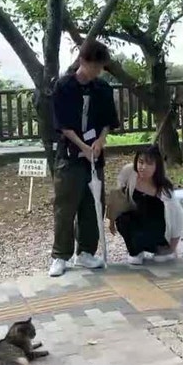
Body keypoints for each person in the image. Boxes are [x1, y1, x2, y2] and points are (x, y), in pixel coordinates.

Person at [48, 40, 120, 277]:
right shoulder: (64, 86)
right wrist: (82, 146)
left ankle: (86, 252)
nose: (96, 71)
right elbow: (63, 124)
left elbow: (108, 121)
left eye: (100, 67)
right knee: (65, 206)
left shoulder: (103, 88)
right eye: (93, 66)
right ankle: (60, 255)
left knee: (93, 204)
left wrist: (100, 141)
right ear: (82, 61)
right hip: (70, 156)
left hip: (94, 156)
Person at [109, 145, 183, 265]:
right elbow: (117, 196)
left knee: (160, 257)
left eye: (149, 164)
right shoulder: (129, 172)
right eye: (141, 162)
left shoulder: (164, 189)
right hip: (136, 221)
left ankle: (160, 248)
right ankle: (135, 251)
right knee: (123, 219)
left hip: (156, 229)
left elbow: (177, 219)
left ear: (157, 166)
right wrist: (111, 220)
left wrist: (171, 248)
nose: (143, 167)